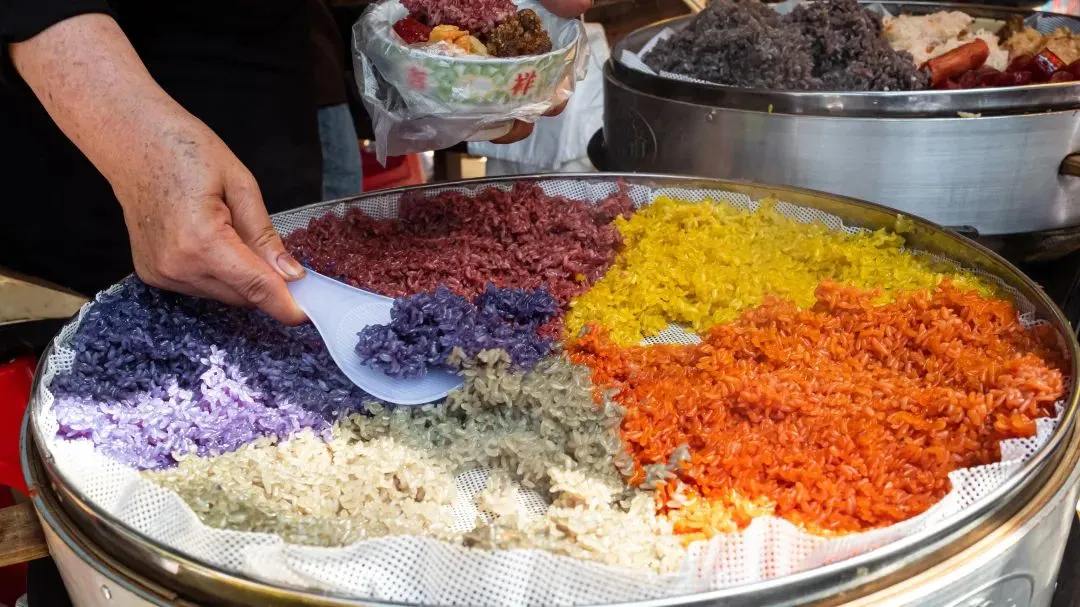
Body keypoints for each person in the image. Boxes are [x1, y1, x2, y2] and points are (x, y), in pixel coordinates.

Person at [0, 0, 589, 326]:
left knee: (286, 299)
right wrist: (134, 138)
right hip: (85, 120)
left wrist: (433, 28)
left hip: (271, 89)